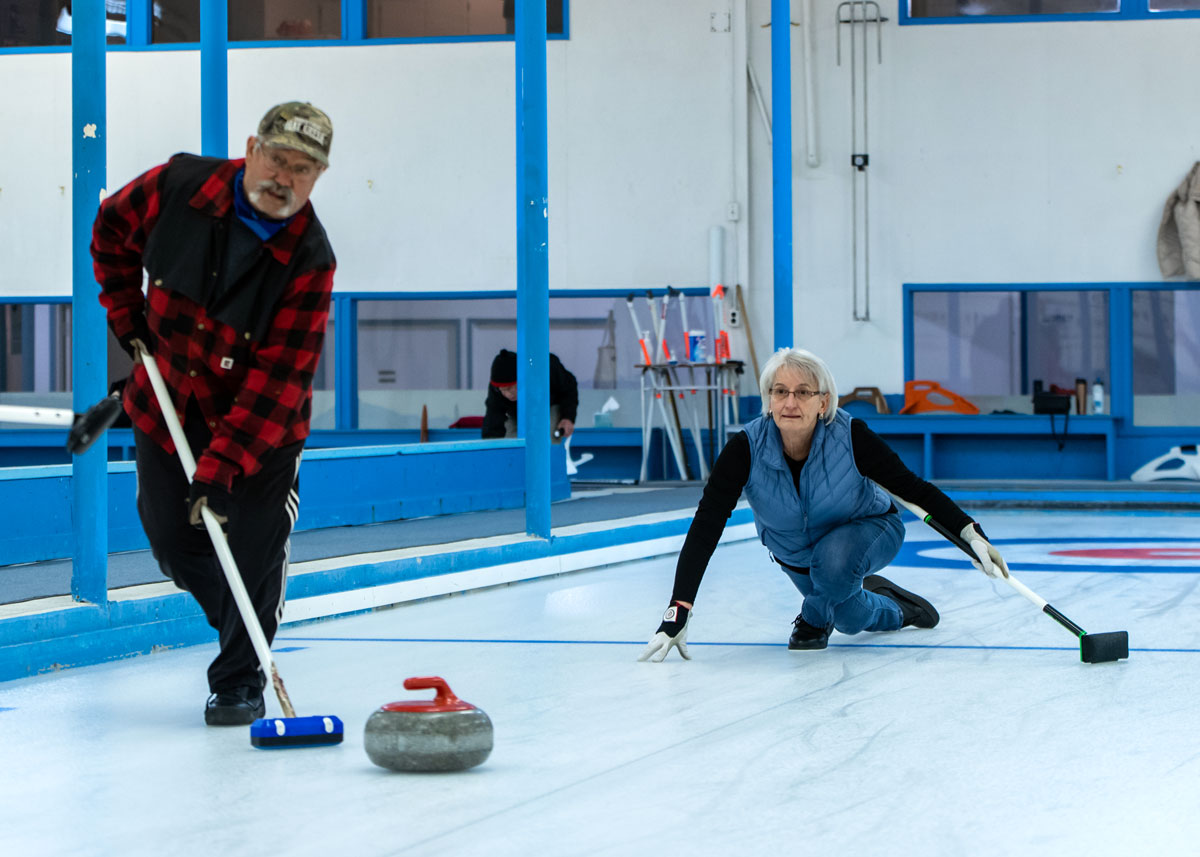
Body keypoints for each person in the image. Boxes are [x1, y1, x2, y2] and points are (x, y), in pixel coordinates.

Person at [91, 102, 336, 724]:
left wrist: (222, 469)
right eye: (277, 159)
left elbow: (280, 379)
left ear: (317, 177)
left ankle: (239, 678)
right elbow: (110, 230)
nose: (284, 178)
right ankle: (241, 619)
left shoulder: (309, 259)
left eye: (302, 169)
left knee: (252, 550)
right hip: (167, 396)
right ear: (252, 148)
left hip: (259, 428)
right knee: (172, 539)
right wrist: (125, 314)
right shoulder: (180, 188)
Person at [639, 347, 1010, 662]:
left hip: (870, 528)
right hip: (797, 555)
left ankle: (813, 617)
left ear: (823, 401)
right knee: (848, 618)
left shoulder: (850, 435)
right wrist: (678, 611)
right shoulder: (745, 449)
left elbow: (913, 489)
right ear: (768, 398)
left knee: (832, 575)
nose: (790, 402)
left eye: (803, 393)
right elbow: (706, 525)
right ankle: (898, 609)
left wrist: (970, 534)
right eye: (780, 391)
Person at [482, 348, 579, 442]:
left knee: (546, 437)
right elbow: (493, 418)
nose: (508, 394)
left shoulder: (548, 368)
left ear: (522, 380)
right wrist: (489, 447)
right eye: (503, 390)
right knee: (510, 440)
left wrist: (568, 417)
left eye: (510, 388)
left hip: (549, 405)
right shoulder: (496, 388)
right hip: (517, 412)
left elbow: (568, 389)